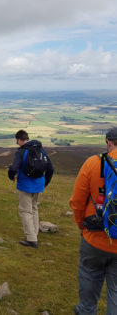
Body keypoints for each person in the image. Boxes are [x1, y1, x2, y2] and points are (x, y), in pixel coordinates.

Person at [70, 127, 117, 314]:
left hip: (94, 237)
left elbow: (77, 201)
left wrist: (81, 226)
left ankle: (86, 311)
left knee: (89, 277)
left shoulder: (93, 163)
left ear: (108, 142)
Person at [8, 130, 54, 248]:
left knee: (25, 211)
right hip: (39, 185)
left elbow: (14, 168)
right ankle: (35, 234)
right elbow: (50, 168)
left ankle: (31, 239)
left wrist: (11, 176)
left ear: (19, 140)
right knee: (34, 208)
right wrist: (46, 182)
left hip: (25, 185)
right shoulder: (40, 149)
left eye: (17, 141)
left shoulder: (22, 152)